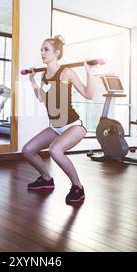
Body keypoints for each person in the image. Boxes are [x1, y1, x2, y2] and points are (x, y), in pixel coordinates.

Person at [22, 35, 96, 204]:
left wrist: (89, 73)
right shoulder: (44, 75)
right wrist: (33, 81)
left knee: (55, 151)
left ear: (56, 52)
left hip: (73, 126)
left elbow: (89, 94)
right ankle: (46, 179)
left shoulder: (66, 72)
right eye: (41, 49)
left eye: (46, 49)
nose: (42, 52)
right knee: (27, 150)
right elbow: (42, 98)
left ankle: (78, 187)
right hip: (55, 126)